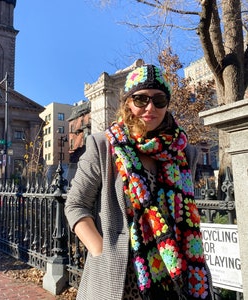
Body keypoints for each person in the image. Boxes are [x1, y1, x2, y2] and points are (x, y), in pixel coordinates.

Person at [65, 64, 213, 300]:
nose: (150, 107)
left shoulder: (185, 154)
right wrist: (100, 251)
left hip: (178, 276)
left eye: (159, 99)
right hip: (121, 280)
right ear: (128, 103)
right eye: (141, 99)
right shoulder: (103, 147)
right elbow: (75, 205)